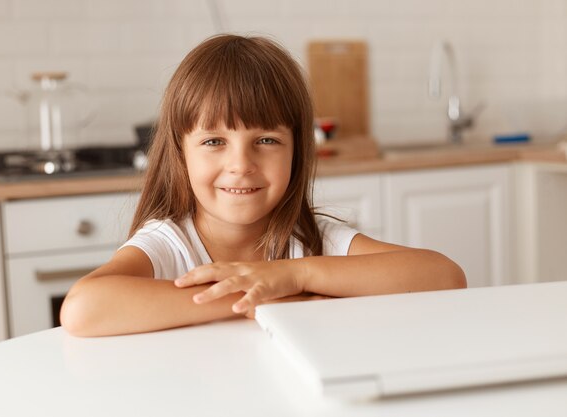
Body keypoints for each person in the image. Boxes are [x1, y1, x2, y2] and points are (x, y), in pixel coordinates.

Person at [60, 34, 466, 337]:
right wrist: (257, 300)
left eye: (266, 141)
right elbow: (81, 309)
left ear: (297, 151)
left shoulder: (312, 241)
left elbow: (445, 277)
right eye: (214, 142)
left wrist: (295, 276)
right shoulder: (169, 243)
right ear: (180, 153)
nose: (240, 165)